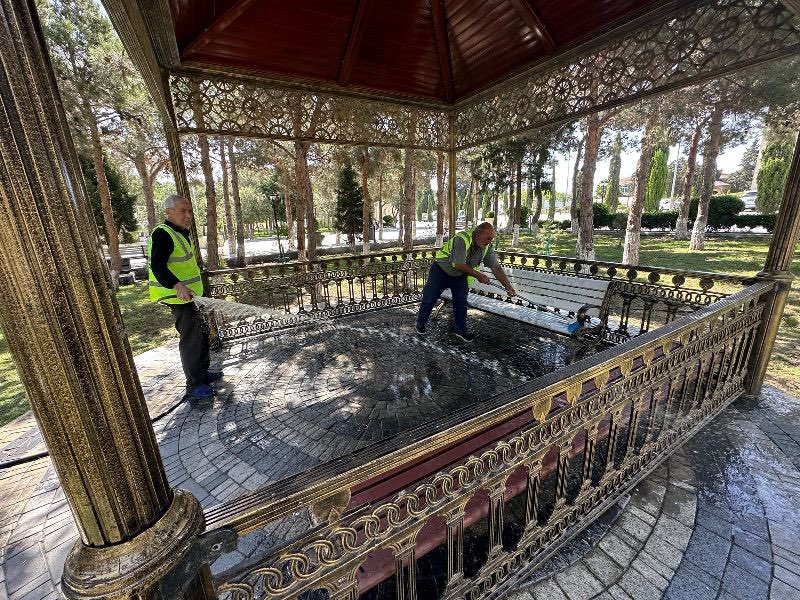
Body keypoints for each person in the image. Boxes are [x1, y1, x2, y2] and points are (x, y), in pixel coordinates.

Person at [148, 195, 222, 401]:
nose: (188, 215)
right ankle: (194, 384)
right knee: (191, 340)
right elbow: (158, 267)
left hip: (193, 296)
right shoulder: (163, 234)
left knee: (202, 335)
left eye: (189, 211)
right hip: (179, 298)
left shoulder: (179, 232)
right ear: (168, 212)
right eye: (183, 211)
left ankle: (202, 373)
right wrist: (177, 285)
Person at [416, 222, 515, 342]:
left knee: (461, 304)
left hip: (460, 275)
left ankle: (460, 331)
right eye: (488, 238)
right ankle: (421, 324)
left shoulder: (487, 246)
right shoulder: (461, 239)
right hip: (440, 272)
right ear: (477, 235)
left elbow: (496, 267)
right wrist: (479, 275)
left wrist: (507, 286)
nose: (490, 242)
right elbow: (458, 264)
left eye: (492, 239)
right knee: (429, 299)